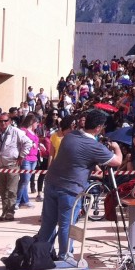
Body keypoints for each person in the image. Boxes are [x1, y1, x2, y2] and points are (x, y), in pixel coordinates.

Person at [35, 109, 121, 262]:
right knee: (67, 225)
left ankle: (41, 255)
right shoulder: (93, 146)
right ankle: (65, 257)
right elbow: (117, 161)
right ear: (98, 128)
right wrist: (116, 148)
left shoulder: (70, 136)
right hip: (70, 189)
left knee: (48, 223)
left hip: (52, 182)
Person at [0, 111, 33, 221]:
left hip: (12, 165)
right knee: (2, 191)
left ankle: (10, 213)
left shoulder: (16, 131)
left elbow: (28, 143)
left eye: (5, 120)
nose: (3, 123)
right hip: (0, 166)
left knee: (11, 191)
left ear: (9, 121)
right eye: (0, 121)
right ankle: (4, 212)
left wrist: (21, 156)